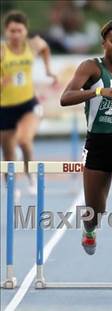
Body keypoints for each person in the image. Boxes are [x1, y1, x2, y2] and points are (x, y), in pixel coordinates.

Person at [60, 20, 112, 284]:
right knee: (95, 211)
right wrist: (97, 91)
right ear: (104, 43)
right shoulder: (91, 67)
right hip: (97, 145)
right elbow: (65, 97)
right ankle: (89, 230)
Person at [0, 10, 57, 194]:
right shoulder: (2, 51)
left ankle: (31, 175)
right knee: (8, 154)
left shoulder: (32, 46)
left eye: (19, 30)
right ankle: (11, 187)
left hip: (28, 104)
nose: (16, 35)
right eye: (12, 31)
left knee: (24, 140)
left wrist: (48, 70)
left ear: (25, 31)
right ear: (5, 32)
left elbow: (45, 47)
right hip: (5, 107)